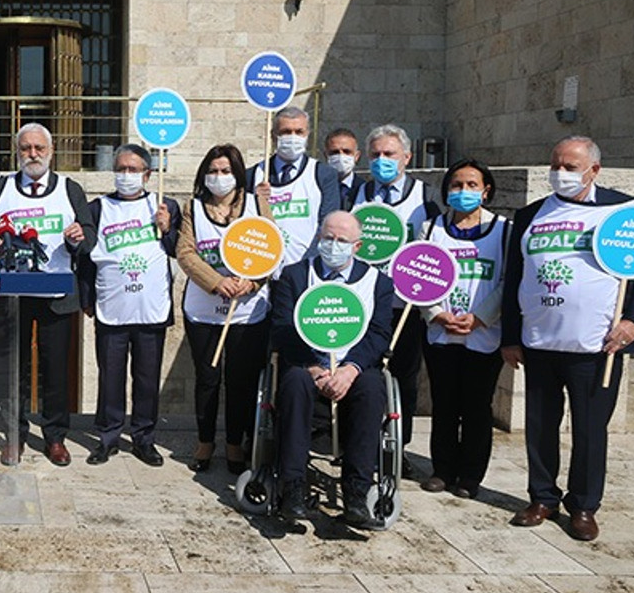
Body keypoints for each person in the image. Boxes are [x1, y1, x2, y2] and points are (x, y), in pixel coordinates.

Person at [501, 136, 634, 541]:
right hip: (539, 342)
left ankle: (584, 505)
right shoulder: (529, 216)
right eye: (555, 163)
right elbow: (513, 279)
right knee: (540, 426)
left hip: (597, 348)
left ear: (594, 169)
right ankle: (542, 497)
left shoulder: (626, 211)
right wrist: (510, 335)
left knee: (590, 430)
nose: (560, 172)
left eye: (571, 166)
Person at [0, 122, 96, 466]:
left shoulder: (70, 189)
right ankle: (16, 435)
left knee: (55, 368)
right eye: (26, 148)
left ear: (51, 152)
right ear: (16, 152)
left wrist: (78, 237)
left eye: (39, 148)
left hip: (56, 295)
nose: (32, 154)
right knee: (15, 369)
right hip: (11, 295)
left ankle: (56, 437)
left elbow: (89, 233)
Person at [270, 211, 394, 527]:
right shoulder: (295, 275)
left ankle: (356, 493)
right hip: (308, 364)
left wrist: (349, 369)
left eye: (342, 241)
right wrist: (315, 369)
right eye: (328, 238)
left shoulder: (378, 282)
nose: (333, 245)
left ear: (357, 246)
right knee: (295, 381)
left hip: (354, 367)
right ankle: (294, 488)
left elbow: (379, 333)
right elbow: (283, 327)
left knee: (371, 387)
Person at [78, 144, 180, 466]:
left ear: (148, 175)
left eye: (133, 170)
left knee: (147, 379)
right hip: (112, 307)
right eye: (121, 169)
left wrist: (168, 229)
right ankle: (107, 438)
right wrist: (87, 299)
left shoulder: (165, 206)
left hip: (150, 308)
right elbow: (86, 258)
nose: (126, 175)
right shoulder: (98, 208)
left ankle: (144, 438)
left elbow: (180, 251)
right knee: (111, 377)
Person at [176, 144, 273, 474]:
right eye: (213, 171)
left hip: (246, 312)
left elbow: (271, 249)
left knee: (241, 380)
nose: (219, 177)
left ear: (238, 174)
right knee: (208, 378)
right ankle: (205, 440)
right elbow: (186, 254)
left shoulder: (255, 206)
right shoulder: (193, 208)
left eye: (226, 171)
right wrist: (217, 282)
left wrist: (252, 282)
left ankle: (235, 442)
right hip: (203, 309)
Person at [351, 123, 441, 473]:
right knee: (363, 373)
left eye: (389, 154)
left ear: (407, 157)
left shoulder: (426, 196)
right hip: (363, 302)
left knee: (404, 375)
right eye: (375, 155)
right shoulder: (357, 193)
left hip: (405, 306)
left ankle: (396, 447)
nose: (381, 160)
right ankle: (359, 441)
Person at [418, 159, 508, 499]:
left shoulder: (503, 230)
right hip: (441, 332)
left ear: (486, 190)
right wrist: (437, 314)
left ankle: (470, 475)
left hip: (484, 332)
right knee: (444, 402)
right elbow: (417, 278)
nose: (464, 191)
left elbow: (506, 281)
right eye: (457, 185)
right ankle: (442, 469)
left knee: (476, 406)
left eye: (472, 185)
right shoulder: (430, 229)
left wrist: (481, 317)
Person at [247, 106, 340, 269]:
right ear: (273, 136)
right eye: (285, 132)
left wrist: (303, 268)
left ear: (307, 135)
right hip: (262, 268)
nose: (292, 137)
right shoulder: (254, 175)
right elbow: (241, 224)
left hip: (305, 269)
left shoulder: (323, 175)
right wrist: (253, 201)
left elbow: (327, 225)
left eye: (299, 132)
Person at [323, 128, 365, 211]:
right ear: (326, 155)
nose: (341, 156)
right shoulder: (317, 187)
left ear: (356, 156)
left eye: (347, 151)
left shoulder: (365, 189)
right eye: (335, 152)